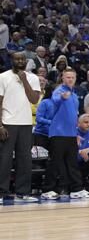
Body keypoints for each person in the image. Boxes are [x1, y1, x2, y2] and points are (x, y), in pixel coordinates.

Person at [0, 52, 42, 202]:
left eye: (22, 59)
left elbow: (34, 99)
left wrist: (24, 80)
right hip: (7, 123)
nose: (20, 61)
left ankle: (22, 193)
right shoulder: (3, 77)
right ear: (12, 60)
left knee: (24, 160)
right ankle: (1, 192)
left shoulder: (33, 78)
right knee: (4, 159)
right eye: (17, 58)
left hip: (25, 123)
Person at [44, 67, 87, 200]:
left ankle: (76, 189)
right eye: (68, 77)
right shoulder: (59, 91)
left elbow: (73, 117)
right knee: (56, 163)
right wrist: (62, 98)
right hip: (58, 133)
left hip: (70, 134)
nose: (70, 79)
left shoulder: (74, 95)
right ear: (62, 78)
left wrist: (76, 134)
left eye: (73, 77)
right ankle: (48, 189)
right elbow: (55, 100)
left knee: (72, 163)